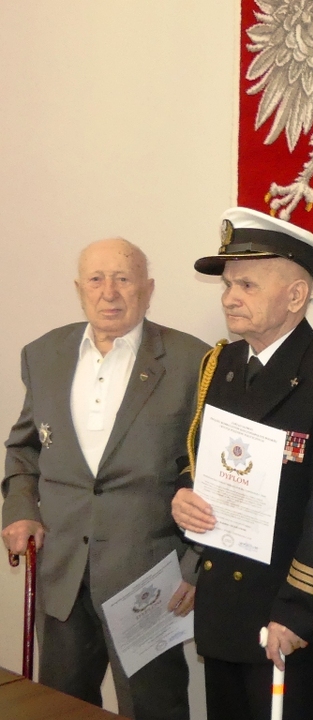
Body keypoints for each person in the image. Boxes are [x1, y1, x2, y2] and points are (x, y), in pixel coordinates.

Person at [171, 207, 313, 720]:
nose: (229, 298)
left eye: (247, 285)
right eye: (228, 285)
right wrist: (184, 495)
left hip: (285, 620)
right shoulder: (220, 365)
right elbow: (195, 458)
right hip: (223, 611)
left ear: (296, 296)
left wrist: (298, 611)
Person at [2, 238, 209, 720]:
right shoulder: (44, 354)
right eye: (96, 279)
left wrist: (196, 565)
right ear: (80, 289)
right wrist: (21, 511)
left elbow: (210, 471)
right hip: (62, 572)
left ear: (148, 289)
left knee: (154, 708)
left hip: (150, 577)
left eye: (123, 279)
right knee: (59, 707)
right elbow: (25, 448)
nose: (109, 292)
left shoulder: (193, 360)